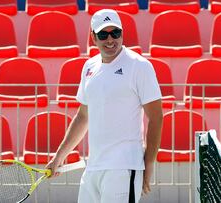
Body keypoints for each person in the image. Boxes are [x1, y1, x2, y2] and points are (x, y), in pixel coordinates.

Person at [45, 9, 163, 203]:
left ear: (122, 33)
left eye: (115, 33)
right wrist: (59, 157)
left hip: (124, 168)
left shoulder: (139, 66)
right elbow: (83, 116)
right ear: (93, 37)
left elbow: (156, 117)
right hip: (93, 168)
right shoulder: (89, 67)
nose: (110, 39)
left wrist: (149, 163)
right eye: (103, 34)